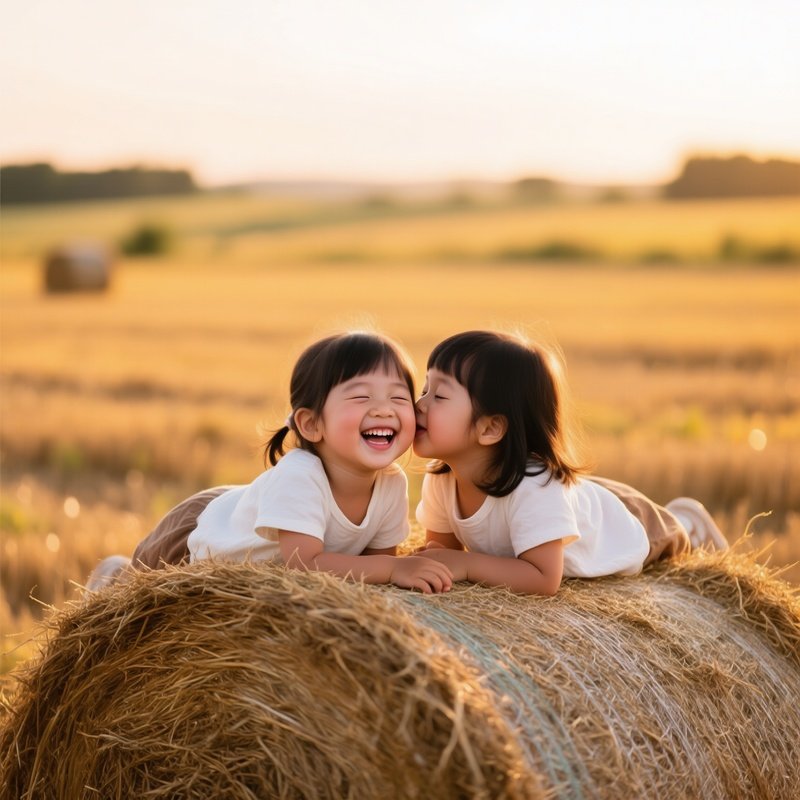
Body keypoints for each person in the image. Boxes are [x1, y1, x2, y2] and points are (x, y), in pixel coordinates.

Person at [87, 332, 453, 595]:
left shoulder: (392, 483)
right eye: (361, 396)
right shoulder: (300, 476)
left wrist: (394, 571)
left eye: (398, 397)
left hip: (253, 511)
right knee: (132, 596)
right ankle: (112, 578)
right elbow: (306, 565)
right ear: (311, 424)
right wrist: (394, 569)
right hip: (200, 534)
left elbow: (375, 572)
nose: (383, 408)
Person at [413, 330, 728, 596]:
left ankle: (689, 522)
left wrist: (466, 565)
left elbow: (543, 578)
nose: (419, 404)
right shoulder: (441, 479)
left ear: (491, 428)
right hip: (567, 501)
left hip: (618, 522)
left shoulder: (533, 487)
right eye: (424, 388)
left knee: (667, 537)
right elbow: (442, 556)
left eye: (438, 396)